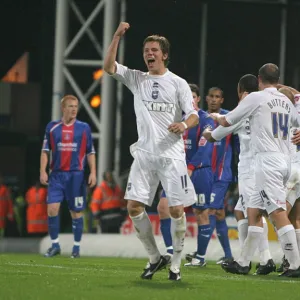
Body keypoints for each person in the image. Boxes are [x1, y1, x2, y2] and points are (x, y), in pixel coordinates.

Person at [104, 22, 198, 281]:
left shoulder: (177, 83)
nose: (149, 54)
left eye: (154, 50)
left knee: (177, 211)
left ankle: (176, 263)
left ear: (164, 55)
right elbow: (109, 67)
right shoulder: (137, 78)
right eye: (146, 50)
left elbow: (193, 116)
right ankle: (156, 258)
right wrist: (116, 37)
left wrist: (182, 124)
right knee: (133, 206)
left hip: (171, 156)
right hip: (144, 154)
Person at [210, 63, 300, 277]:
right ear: (277, 80)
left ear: (259, 79)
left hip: (267, 163)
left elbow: (226, 120)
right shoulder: (286, 102)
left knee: (277, 213)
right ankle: (243, 262)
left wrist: (212, 117)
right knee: (253, 210)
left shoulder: (256, 98)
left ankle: (295, 264)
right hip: (285, 161)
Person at [203, 74, 275, 275]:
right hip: (269, 164)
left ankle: (255, 260)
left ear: (242, 91)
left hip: (250, 169)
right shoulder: (265, 107)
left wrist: (208, 130)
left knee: (255, 212)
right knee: (241, 210)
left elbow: (220, 130)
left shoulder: (244, 110)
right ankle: (255, 257)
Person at [157, 83, 214, 268]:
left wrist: (190, 167)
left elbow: (205, 147)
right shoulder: (177, 119)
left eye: (193, 97)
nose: (189, 100)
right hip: (176, 171)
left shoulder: (205, 119)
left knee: (201, 213)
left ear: (197, 99)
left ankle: (201, 257)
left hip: (199, 171)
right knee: (163, 207)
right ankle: (169, 251)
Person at [40, 94, 97, 258]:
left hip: (76, 177)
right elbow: (45, 151)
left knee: (76, 212)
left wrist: (92, 172)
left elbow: (90, 152)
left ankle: (76, 248)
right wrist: (42, 170)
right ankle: (55, 245)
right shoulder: (52, 127)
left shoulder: (83, 127)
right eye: (70, 106)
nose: (74, 109)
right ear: (63, 108)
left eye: (76, 106)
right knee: (52, 209)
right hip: (57, 176)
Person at [199, 87, 234, 265]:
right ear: (206, 98)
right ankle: (228, 255)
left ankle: (200, 255)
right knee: (219, 213)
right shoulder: (200, 117)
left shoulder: (228, 117)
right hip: (205, 174)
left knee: (210, 210)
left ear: (222, 100)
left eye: (217, 97)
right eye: (211, 96)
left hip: (221, 174)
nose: (214, 100)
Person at [0, 173, 14, 238]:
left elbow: (9, 201)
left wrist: (10, 212)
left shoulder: (5, 189)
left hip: (3, 212)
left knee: (2, 226)